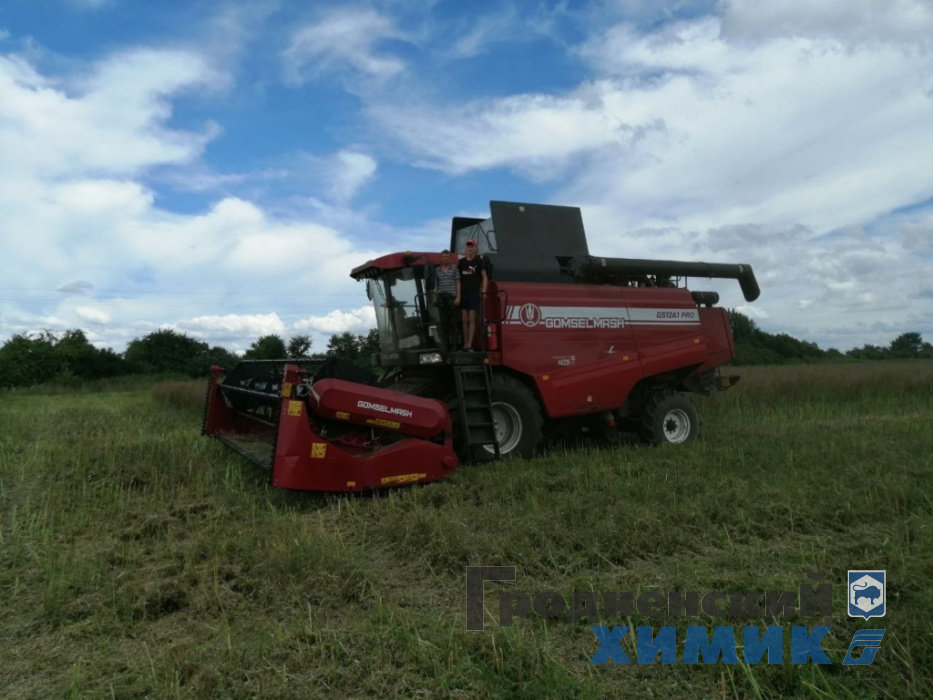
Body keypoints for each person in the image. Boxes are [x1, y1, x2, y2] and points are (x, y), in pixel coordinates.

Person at [456, 239, 488, 351]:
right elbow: (458, 279)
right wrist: (458, 295)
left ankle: (470, 344)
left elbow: (484, 277)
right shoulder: (462, 262)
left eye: (472, 246)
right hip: (464, 293)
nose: (470, 248)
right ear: (466, 248)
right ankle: (465, 344)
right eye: (468, 246)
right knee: (464, 319)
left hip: (474, 293)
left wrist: (483, 291)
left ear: (475, 248)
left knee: (471, 319)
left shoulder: (479, 261)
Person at [435, 249, 460, 350]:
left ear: (450, 258)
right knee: (443, 322)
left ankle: (455, 345)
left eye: (447, 257)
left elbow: (458, 282)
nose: (446, 259)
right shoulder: (437, 270)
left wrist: (458, 297)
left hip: (452, 297)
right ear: (441, 259)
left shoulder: (454, 268)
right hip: (442, 298)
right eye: (444, 257)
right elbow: (435, 284)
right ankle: (445, 345)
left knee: (453, 322)